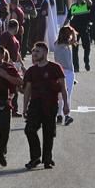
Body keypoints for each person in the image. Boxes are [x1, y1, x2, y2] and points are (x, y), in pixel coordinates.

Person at [22, 42, 68, 170]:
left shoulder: (55, 68)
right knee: (29, 130)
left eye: (38, 51)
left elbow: (63, 88)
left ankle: (47, 159)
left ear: (45, 53)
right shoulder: (31, 71)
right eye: (34, 51)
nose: (35, 54)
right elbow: (27, 90)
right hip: (35, 104)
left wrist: (65, 105)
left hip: (51, 104)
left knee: (48, 133)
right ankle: (35, 157)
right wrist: (25, 107)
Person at [52, 26, 77, 125]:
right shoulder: (66, 44)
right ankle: (66, 116)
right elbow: (74, 40)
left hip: (58, 72)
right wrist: (73, 31)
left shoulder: (56, 44)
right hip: (68, 72)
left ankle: (59, 115)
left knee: (59, 95)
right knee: (67, 95)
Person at [67, 0, 93, 72]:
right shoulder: (73, 7)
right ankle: (76, 67)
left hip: (84, 29)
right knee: (75, 49)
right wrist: (63, 27)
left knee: (87, 47)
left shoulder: (86, 5)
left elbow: (90, 3)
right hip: (75, 31)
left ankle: (86, 62)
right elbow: (68, 18)